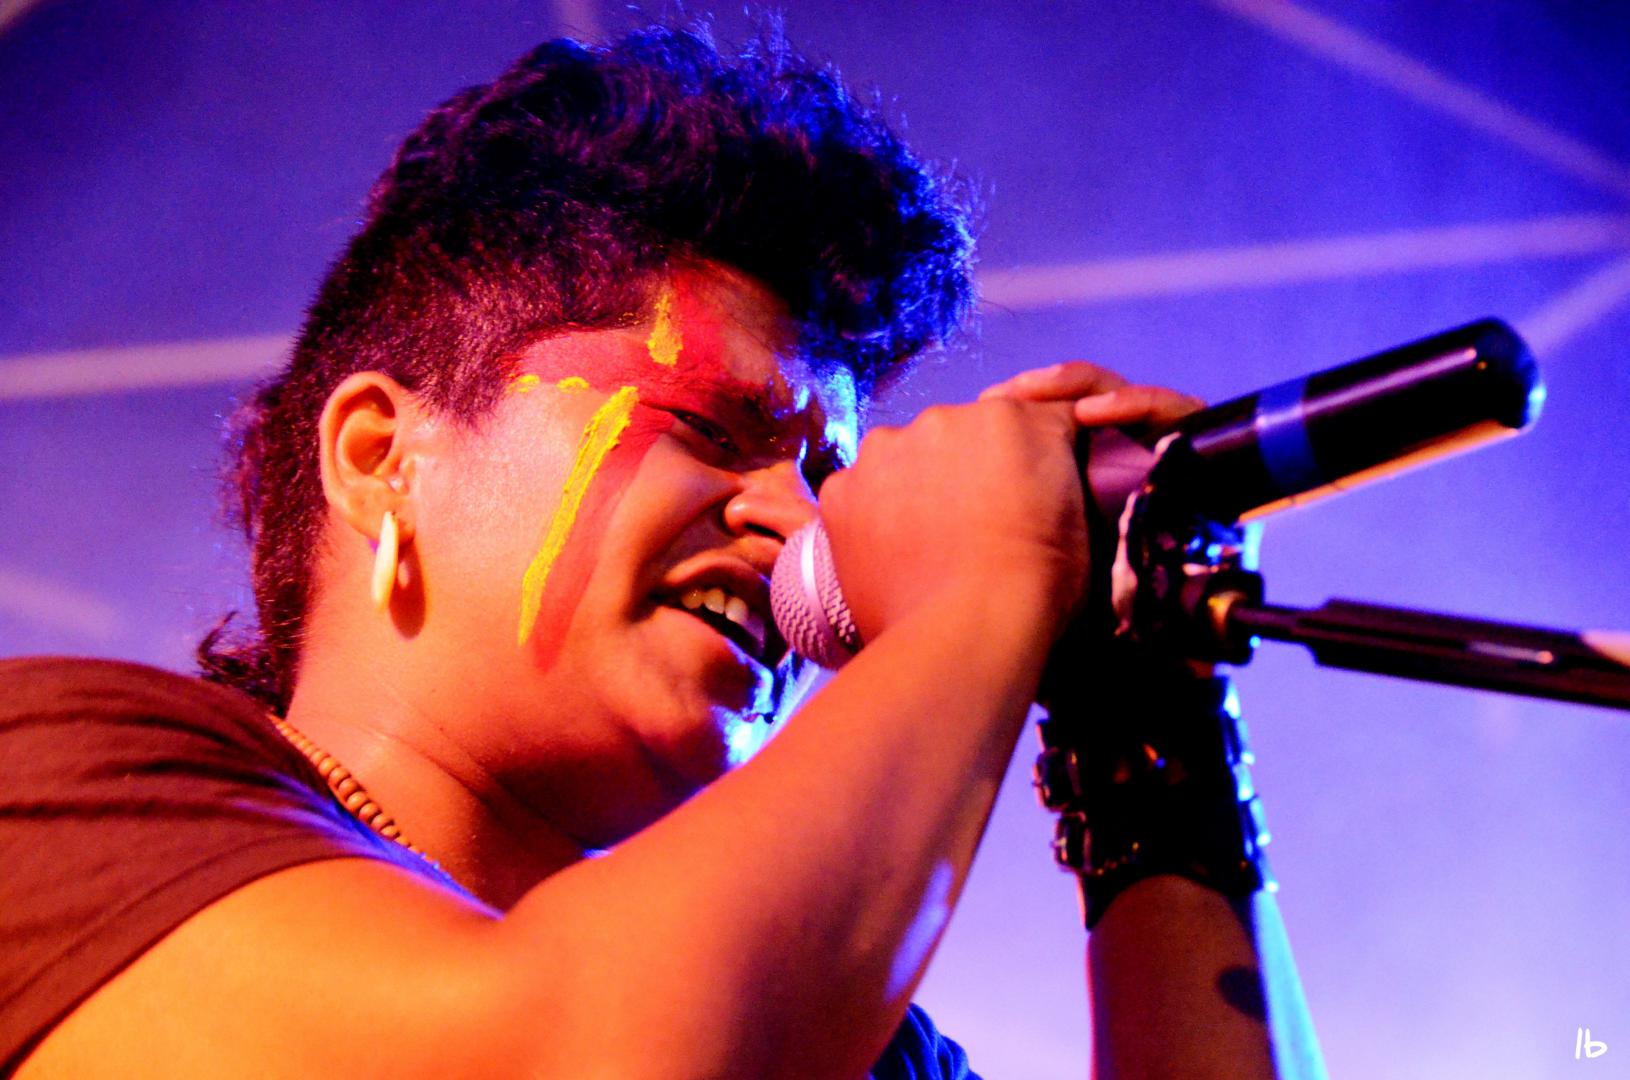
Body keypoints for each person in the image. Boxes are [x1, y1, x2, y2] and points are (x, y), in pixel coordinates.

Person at [0, 24, 1324, 1079]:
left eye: (824, 478)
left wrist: (1145, 742)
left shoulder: (862, 1054)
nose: (800, 523)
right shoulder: (56, 785)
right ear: (378, 455)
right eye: (706, 429)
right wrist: (977, 592)